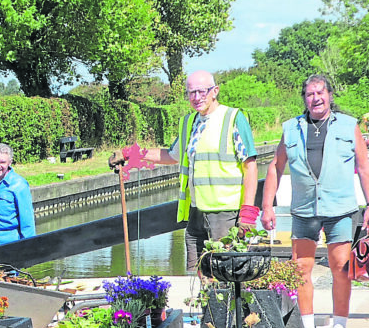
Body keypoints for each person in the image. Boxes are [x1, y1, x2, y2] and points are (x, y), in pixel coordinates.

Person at [260, 74, 369, 328]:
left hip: (339, 208)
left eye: (320, 93)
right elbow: (275, 168)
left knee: (340, 267)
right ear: (304, 99)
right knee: (301, 268)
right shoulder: (291, 129)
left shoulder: (349, 126)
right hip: (304, 210)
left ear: (329, 95)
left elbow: (364, 167)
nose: (315, 98)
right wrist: (267, 206)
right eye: (310, 94)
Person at [109, 70, 259, 272]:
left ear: (215, 91)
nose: (196, 98)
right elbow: (172, 155)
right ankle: (206, 304)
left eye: (201, 92)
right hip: (196, 211)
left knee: (225, 273)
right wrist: (132, 153)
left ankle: (223, 304)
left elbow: (250, 166)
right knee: (201, 271)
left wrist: (247, 213)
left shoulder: (233, 118)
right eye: (191, 93)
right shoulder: (189, 122)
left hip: (225, 213)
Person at [0, 143, 35, 247]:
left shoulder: (19, 185)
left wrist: (29, 249)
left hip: (10, 247)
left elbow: (27, 223)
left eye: (3, 162)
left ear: (10, 162)